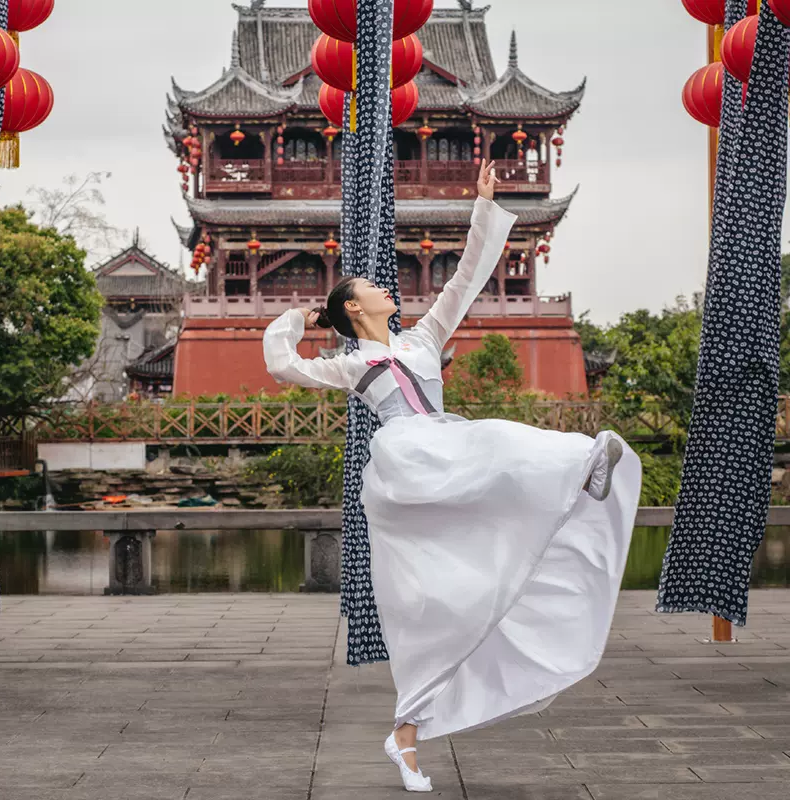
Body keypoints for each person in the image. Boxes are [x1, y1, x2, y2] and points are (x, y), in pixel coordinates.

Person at [263, 160, 642, 793]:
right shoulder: (349, 363)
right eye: (375, 288)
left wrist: (485, 206)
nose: (390, 290)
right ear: (353, 306)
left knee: (468, 566)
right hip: (408, 470)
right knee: (428, 602)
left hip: (446, 446)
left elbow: (466, 277)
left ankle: (577, 471)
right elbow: (282, 369)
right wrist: (292, 325)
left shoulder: (424, 337)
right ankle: (575, 468)